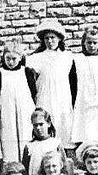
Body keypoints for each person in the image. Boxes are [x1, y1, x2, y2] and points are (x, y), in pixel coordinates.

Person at [28, 18, 74, 146]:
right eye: (47, 38)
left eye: (53, 38)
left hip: (62, 96)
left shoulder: (67, 57)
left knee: (63, 122)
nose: (50, 41)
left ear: (59, 39)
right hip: (45, 95)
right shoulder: (35, 58)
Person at [70, 27, 98, 147]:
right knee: (86, 129)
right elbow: (72, 82)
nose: (92, 46)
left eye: (95, 43)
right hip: (83, 98)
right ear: (84, 43)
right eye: (89, 42)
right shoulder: (77, 59)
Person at [0, 41, 36, 167]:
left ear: (20, 57)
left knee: (26, 137)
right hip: (6, 112)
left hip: (25, 111)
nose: (11, 62)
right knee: (8, 141)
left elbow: (33, 92)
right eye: (8, 59)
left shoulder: (26, 72)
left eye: (14, 59)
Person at [21, 107, 64, 175]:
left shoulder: (55, 144)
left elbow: (63, 168)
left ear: (48, 124)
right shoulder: (29, 147)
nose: (38, 128)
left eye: (41, 124)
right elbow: (24, 171)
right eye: (35, 125)